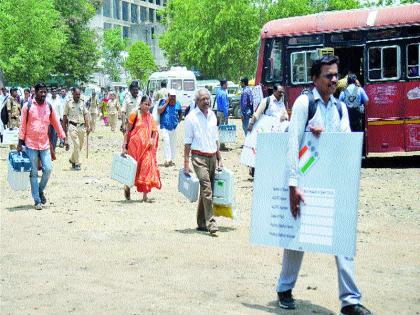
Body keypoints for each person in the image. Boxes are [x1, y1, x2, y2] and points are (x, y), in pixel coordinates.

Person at [277, 55, 372, 315]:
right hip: (306, 179)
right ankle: (284, 288)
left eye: (335, 74)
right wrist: (293, 184)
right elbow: (293, 145)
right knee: (298, 237)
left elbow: (342, 145)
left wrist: (347, 180)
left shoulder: (340, 107)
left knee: (342, 237)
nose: (334, 80)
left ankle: (350, 301)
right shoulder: (303, 104)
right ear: (314, 78)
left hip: (333, 180)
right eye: (328, 75)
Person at [17, 82, 69, 210]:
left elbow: (56, 123)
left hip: (45, 144)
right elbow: (22, 125)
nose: (44, 94)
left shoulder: (49, 107)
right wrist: (20, 142)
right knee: (33, 173)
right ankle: (37, 200)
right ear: (35, 92)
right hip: (30, 144)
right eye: (41, 91)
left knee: (48, 169)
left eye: (45, 91)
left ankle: (40, 190)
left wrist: (64, 138)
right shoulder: (27, 106)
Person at [184, 88, 223, 235]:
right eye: (203, 99)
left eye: (208, 98)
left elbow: (215, 138)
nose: (206, 101)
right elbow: (187, 142)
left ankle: (201, 222)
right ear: (196, 101)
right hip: (198, 157)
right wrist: (186, 163)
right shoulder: (191, 118)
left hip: (212, 156)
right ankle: (211, 223)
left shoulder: (212, 115)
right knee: (207, 189)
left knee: (207, 190)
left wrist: (219, 157)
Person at [122, 96, 161, 202]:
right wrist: (124, 146)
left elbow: (154, 131)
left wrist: (152, 140)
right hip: (134, 148)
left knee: (146, 170)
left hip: (146, 149)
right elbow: (127, 131)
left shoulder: (150, 117)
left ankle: (145, 196)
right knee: (133, 170)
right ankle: (127, 187)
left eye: (149, 105)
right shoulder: (134, 114)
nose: (147, 106)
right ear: (140, 104)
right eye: (145, 104)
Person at [63, 87, 90, 171]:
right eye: (76, 94)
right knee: (77, 144)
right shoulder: (68, 103)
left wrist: (88, 126)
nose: (78, 96)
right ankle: (78, 163)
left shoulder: (82, 103)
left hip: (82, 126)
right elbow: (64, 116)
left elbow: (85, 114)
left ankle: (72, 159)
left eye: (79, 94)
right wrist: (65, 130)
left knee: (80, 145)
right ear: (73, 94)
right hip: (72, 126)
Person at [158, 89, 182, 167]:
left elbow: (180, 113)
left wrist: (178, 121)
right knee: (166, 142)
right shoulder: (163, 102)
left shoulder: (178, 103)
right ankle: (167, 159)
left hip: (173, 127)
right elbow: (159, 111)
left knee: (173, 143)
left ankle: (171, 159)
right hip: (164, 126)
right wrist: (166, 103)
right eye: (171, 97)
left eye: (174, 97)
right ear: (168, 96)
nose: (172, 98)